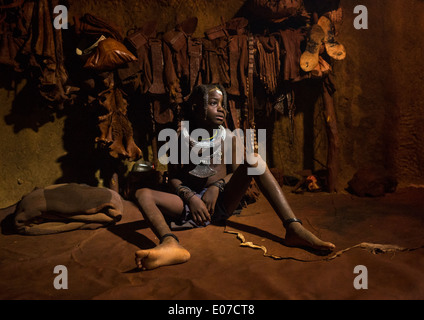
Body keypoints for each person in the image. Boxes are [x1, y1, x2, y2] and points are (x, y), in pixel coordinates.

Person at [133, 84, 335, 270]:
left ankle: (293, 227)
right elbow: (174, 178)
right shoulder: (180, 139)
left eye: (222, 105)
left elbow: (236, 173)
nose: (221, 109)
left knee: (254, 160)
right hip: (188, 204)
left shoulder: (229, 137)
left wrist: (216, 187)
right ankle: (169, 242)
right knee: (143, 194)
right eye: (213, 103)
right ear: (195, 108)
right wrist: (191, 198)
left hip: (221, 202)